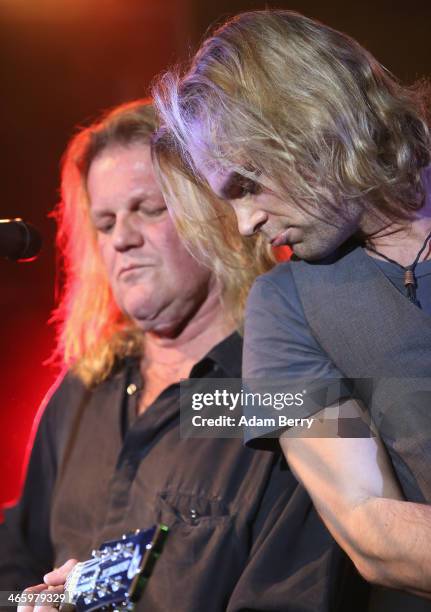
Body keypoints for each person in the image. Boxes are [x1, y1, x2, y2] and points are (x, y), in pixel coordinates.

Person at [0, 99, 369, 612]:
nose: (122, 239)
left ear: (216, 215)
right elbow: (15, 561)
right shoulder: (81, 391)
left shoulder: (293, 387)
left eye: (149, 209)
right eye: (105, 224)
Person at [153, 9, 431, 606]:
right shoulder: (286, 306)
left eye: (247, 183)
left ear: (308, 121)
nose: (246, 222)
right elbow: (372, 528)